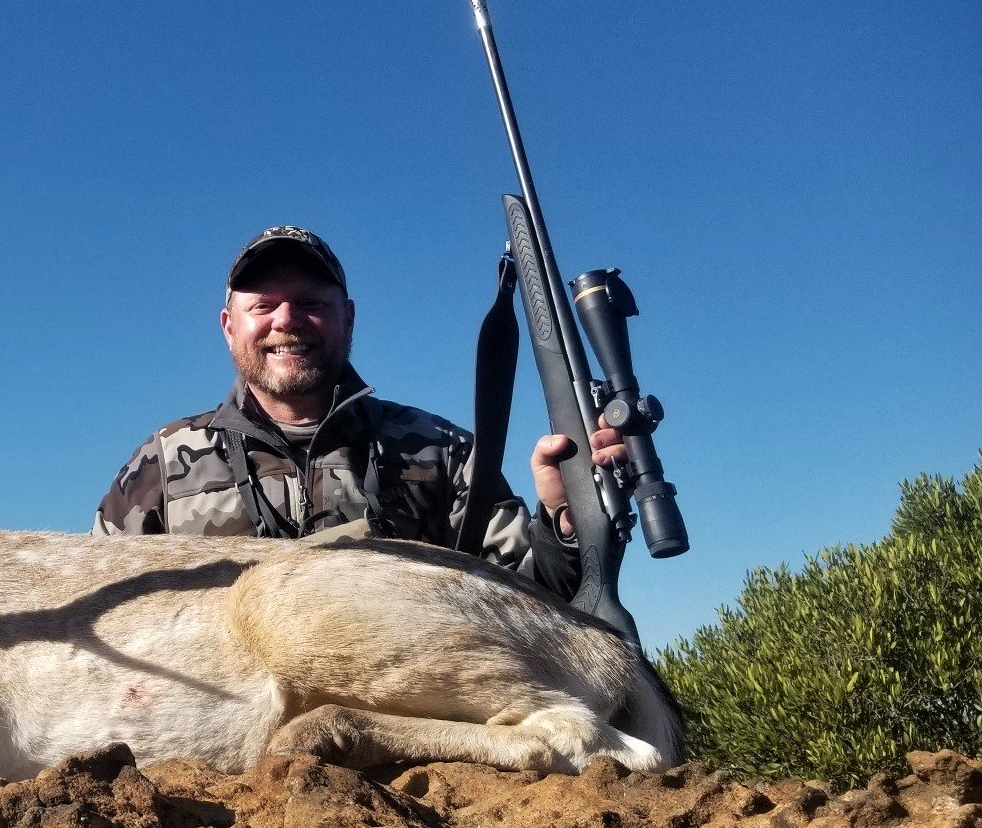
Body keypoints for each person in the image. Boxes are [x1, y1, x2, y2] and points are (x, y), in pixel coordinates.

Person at [92, 225, 623, 602]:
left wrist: (564, 521)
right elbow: (96, 598)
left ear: (347, 318)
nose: (287, 320)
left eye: (311, 303)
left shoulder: (442, 452)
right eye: (263, 306)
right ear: (229, 325)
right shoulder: (162, 461)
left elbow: (532, 605)